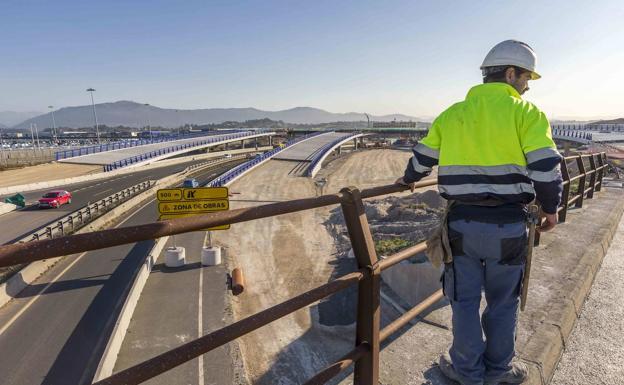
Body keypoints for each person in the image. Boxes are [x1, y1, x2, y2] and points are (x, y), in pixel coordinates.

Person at [395, 40, 563, 385]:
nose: (527, 85)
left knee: (464, 300)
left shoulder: (452, 113)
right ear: (511, 73)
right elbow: (546, 169)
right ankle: (500, 371)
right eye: (526, 77)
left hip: (462, 227)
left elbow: (421, 160)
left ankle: (466, 372)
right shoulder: (527, 114)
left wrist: (408, 179)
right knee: (503, 302)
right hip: (508, 227)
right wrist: (550, 210)